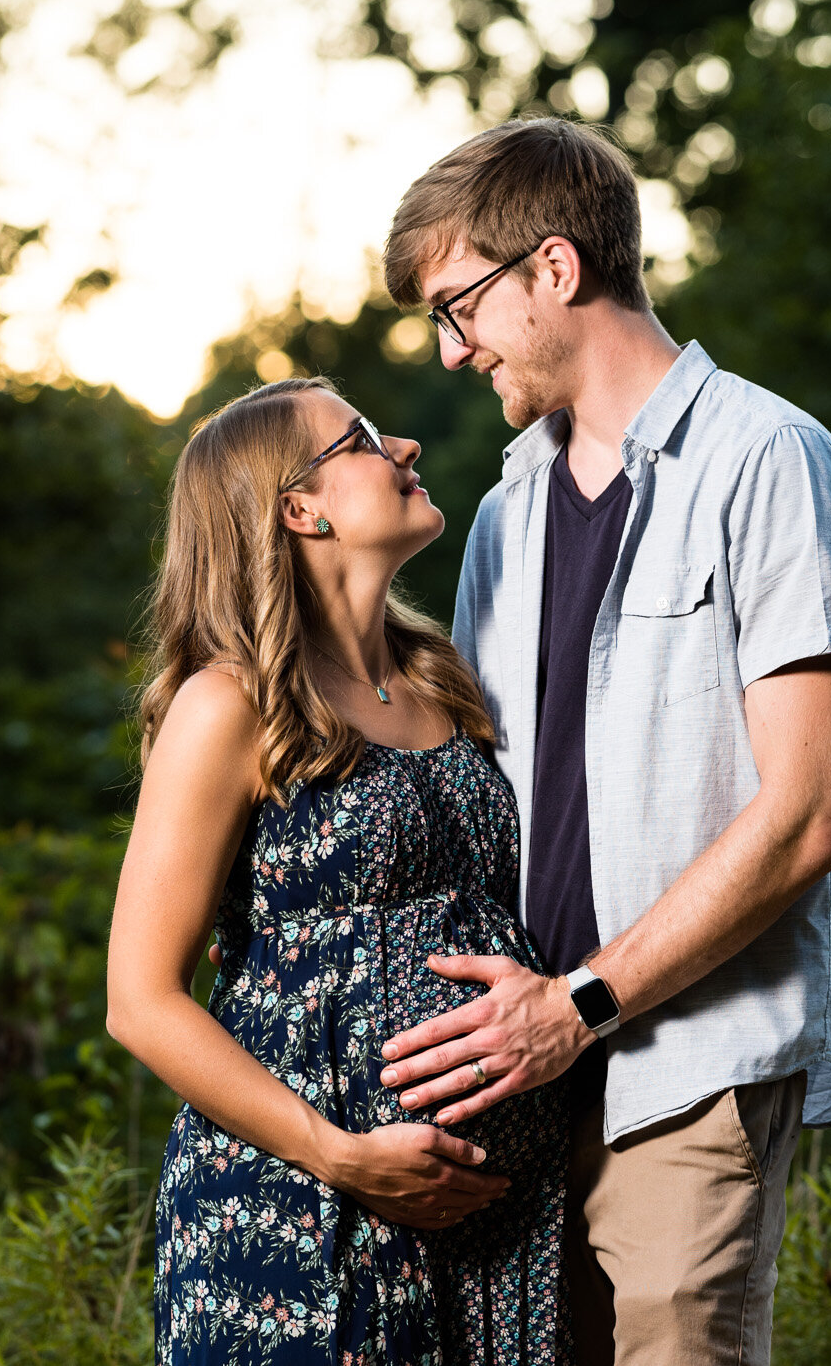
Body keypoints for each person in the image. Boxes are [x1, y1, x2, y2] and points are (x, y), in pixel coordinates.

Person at [371, 117, 831, 1366]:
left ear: (552, 268)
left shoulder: (769, 461)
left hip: (684, 1066)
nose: (448, 349)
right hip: (518, 1082)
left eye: (458, 304)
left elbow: (807, 810)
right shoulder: (500, 516)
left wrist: (581, 1004)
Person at [106, 377, 572, 1365]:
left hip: (484, 1231)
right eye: (361, 439)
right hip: (296, 1215)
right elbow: (139, 999)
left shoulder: (442, 675)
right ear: (297, 506)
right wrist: (340, 1153)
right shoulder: (226, 704)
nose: (402, 444)